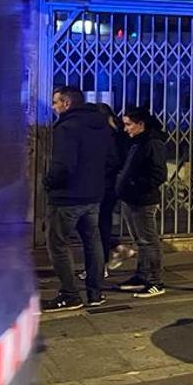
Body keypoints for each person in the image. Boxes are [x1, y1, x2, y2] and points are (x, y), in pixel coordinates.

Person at [42, 86, 116, 312]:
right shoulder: (102, 126)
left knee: (57, 242)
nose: (53, 107)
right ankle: (95, 292)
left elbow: (63, 165)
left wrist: (49, 182)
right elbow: (112, 159)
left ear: (66, 103)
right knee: (92, 242)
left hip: (68, 196)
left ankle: (69, 293)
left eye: (55, 103)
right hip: (93, 195)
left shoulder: (67, 128)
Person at [115, 106, 168, 298]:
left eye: (129, 124)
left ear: (141, 124)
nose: (126, 128)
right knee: (140, 241)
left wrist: (135, 184)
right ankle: (142, 275)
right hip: (132, 198)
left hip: (143, 199)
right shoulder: (137, 141)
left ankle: (155, 281)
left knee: (148, 241)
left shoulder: (152, 143)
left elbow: (159, 174)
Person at [93, 103, 132, 276]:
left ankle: (101, 264)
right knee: (101, 223)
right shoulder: (118, 133)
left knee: (97, 224)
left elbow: (113, 161)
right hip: (111, 185)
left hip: (105, 185)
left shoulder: (108, 134)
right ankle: (114, 249)